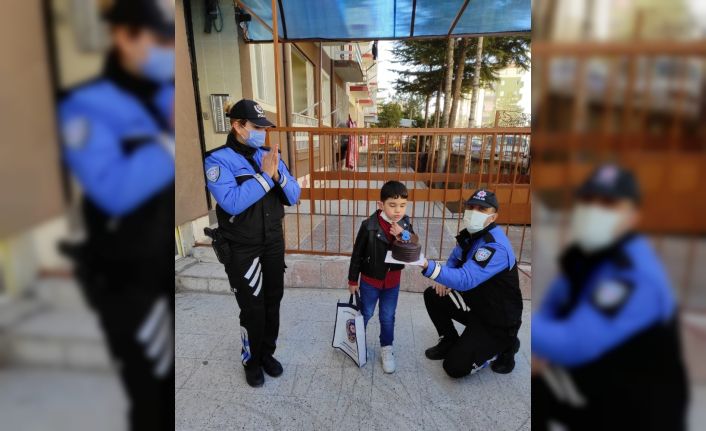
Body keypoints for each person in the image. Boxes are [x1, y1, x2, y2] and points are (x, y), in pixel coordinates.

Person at [57, 1, 175, 429]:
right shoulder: (86, 104)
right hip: (127, 276)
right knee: (149, 391)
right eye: (157, 40)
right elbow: (113, 190)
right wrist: (168, 143)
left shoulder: (166, 93)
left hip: (162, 265)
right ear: (122, 36)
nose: (166, 50)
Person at [531, 164, 688, 430]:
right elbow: (552, 307)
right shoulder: (585, 255)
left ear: (633, 216)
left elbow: (573, 342)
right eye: (588, 200)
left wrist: (531, 335)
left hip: (639, 413)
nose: (594, 210)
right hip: (597, 391)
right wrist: (541, 348)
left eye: (608, 203)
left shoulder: (634, 274)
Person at [204, 99, 300, 388]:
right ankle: (251, 360)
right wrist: (266, 177)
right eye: (257, 127)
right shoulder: (216, 159)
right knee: (252, 309)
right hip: (242, 249)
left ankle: (267, 354)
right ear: (237, 126)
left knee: (273, 303)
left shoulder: (268, 155)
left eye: (265, 128)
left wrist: (277, 174)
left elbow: (294, 195)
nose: (262, 133)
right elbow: (232, 203)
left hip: (272, 242)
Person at [421, 189, 523, 378]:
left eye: (482, 209)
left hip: (498, 319)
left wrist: (428, 266)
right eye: (471, 207)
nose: (474, 212)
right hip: (476, 305)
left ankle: (507, 346)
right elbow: (454, 259)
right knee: (433, 294)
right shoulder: (471, 234)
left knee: (454, 367)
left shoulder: (495, 246)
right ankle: (449, 340)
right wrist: (444, 279)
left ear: (493, 217)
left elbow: (466, 279)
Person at [348, 180, 418, 373]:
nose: (398, 210)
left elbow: (413, 242)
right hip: (370, 281)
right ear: (381, 205)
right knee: (366, 313)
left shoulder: (404, 223)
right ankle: (357, 342)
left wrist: (402, 234)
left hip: (392, 283)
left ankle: (387, 348)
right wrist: (353, 280)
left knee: (387, 316)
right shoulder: (369, 225)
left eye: (402, 205)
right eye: (392, 205)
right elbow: (357, 254)